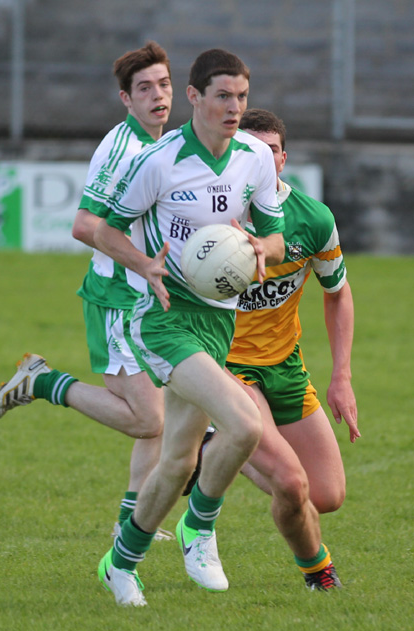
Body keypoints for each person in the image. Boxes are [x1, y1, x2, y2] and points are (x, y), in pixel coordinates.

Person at [93, 49, 285, 607]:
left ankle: (120, 562)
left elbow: (275, 236)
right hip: (165, 318)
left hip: (219, 320)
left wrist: (259, 248)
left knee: (178, 458)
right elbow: (104, 230)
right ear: (196, 97)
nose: (234, 107)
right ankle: (199, 527)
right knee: (244, 425)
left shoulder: (253, 156)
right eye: (223, 96)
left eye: (242, 97)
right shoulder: (160, 159)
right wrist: (144, 264)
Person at [0, 41, 175, 540]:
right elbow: (84, 225)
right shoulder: (121, 148)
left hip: (150, 296)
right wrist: (145, 267)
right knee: (149, 421)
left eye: (164, 84)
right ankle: (40, 381)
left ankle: (132, 522)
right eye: (145, 88)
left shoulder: (165, 142)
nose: (158, 95)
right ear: (125, 98)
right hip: (118, 297)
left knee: (164, 413)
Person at [224, 108, 359, 590]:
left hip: (285, 366)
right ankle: (319, 572)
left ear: (284, 158)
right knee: (290, 482)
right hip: (226, 368)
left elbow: (337, 293)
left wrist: (341, 375)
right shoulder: (215, 215)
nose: (261, 160)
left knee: (326, 495)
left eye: (270, 151)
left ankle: (220, 450)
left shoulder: (313, 219)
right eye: (250, 151)